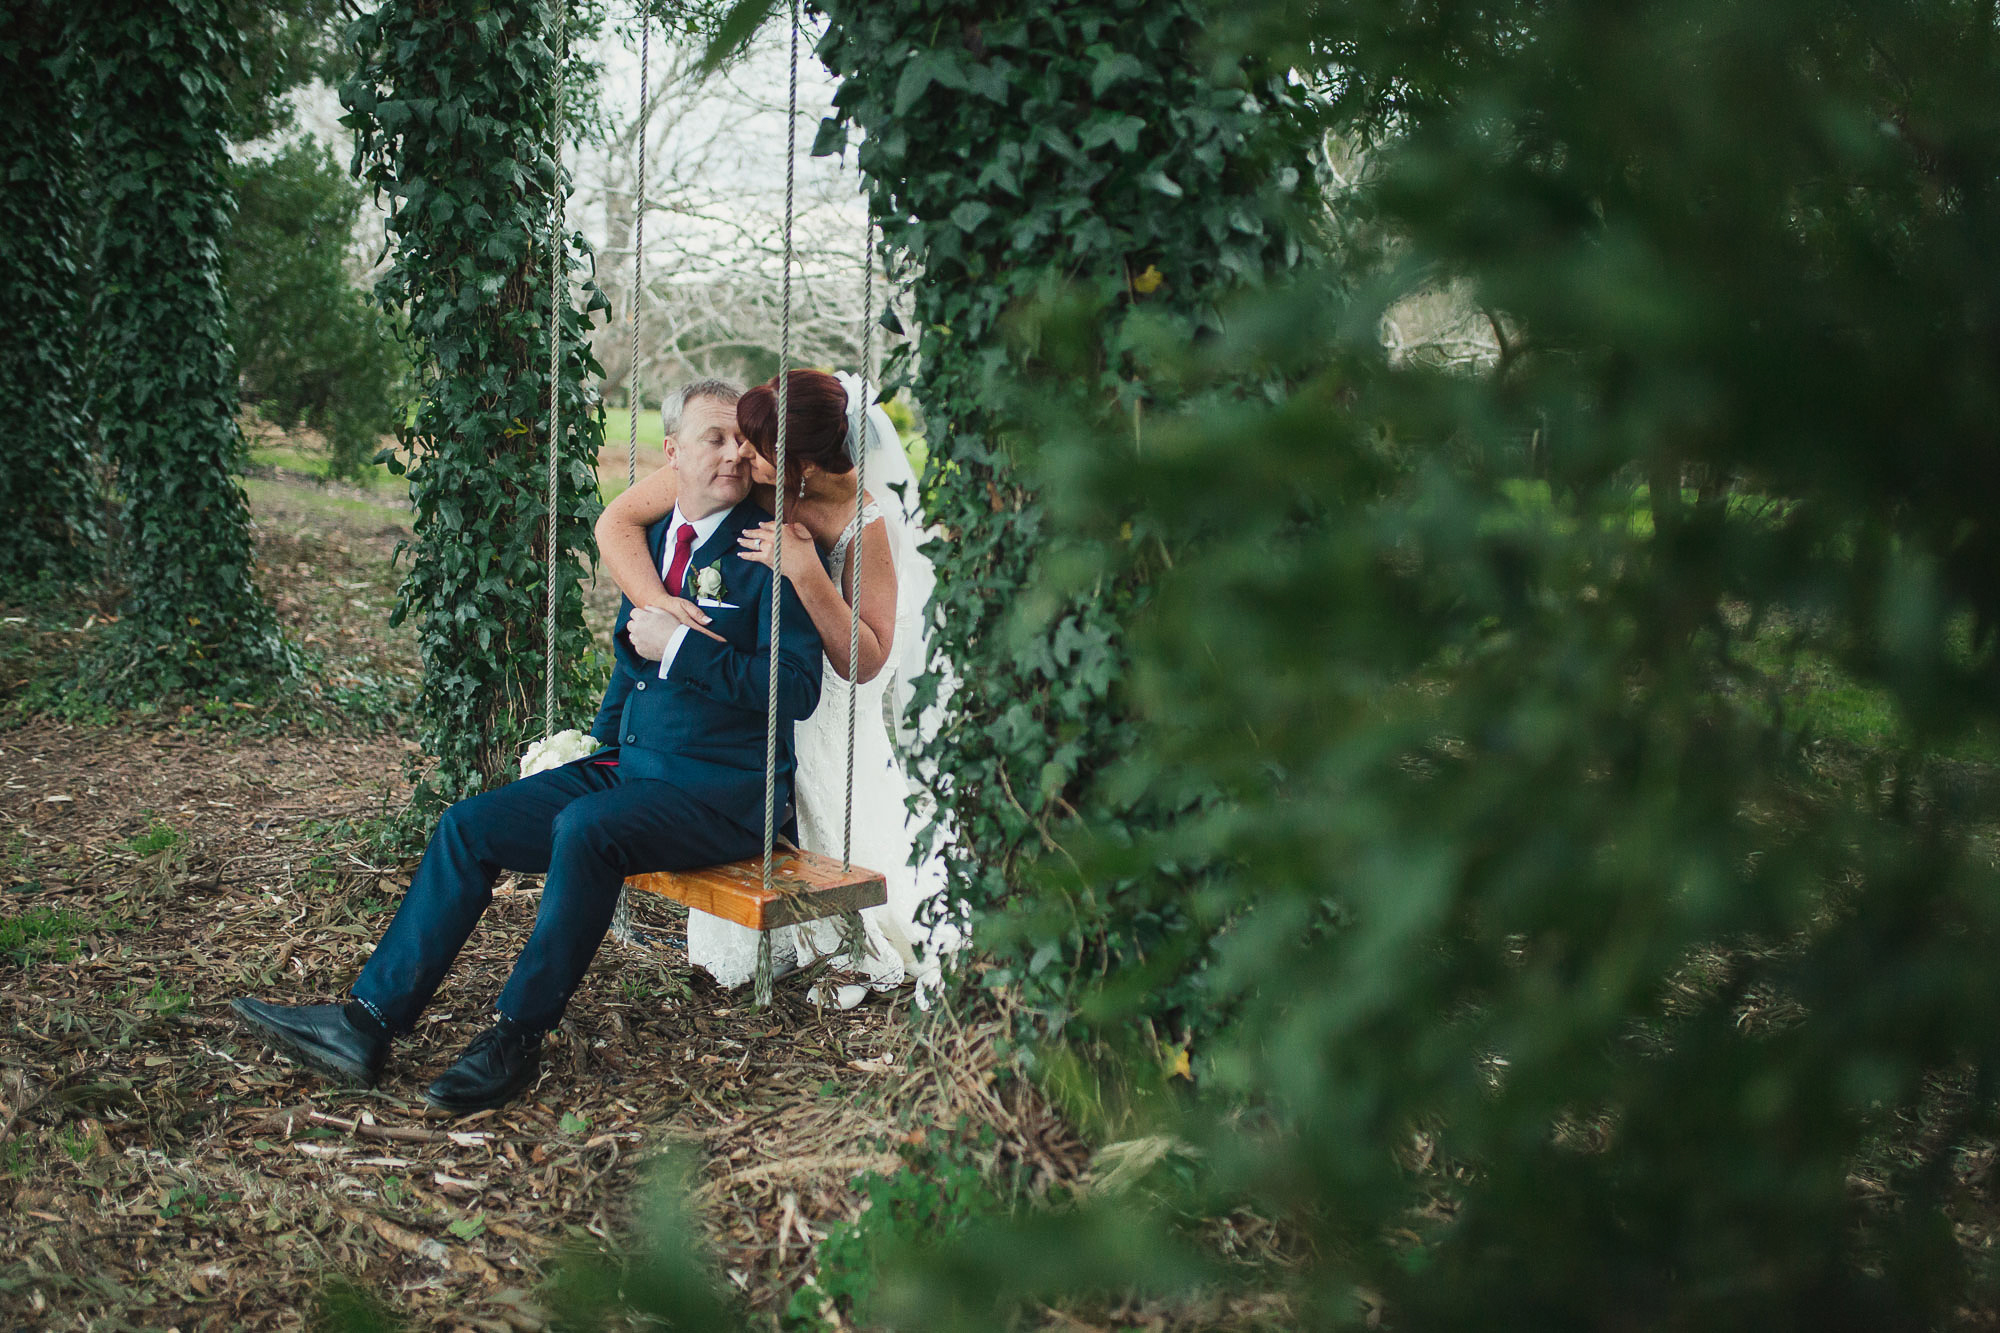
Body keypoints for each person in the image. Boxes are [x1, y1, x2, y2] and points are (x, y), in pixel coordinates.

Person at [231, 378, 824, 1112]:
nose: (737, 453)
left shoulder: (769, 553)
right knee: (467, 826)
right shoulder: (660, 542)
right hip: (630, 770)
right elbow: (630, 670)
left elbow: (796, 690)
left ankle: (514, 1037)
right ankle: (366, 1022)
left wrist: (682, 648)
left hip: (722, 795)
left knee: (586, 830)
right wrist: (595, 748)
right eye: (716, 438)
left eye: (743, 439)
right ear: (672, 453)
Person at [596, 367, 958, 1004]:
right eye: (732, 439)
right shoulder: (751, 470)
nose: (737, 457)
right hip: (755, 695)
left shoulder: (864, 524)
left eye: (754, 449)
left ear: (803, 470)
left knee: (840, 827)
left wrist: (806, 573)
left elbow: (865, 659)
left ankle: (853, 935)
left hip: (831, 705)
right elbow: (617, 521)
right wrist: (664, 611)